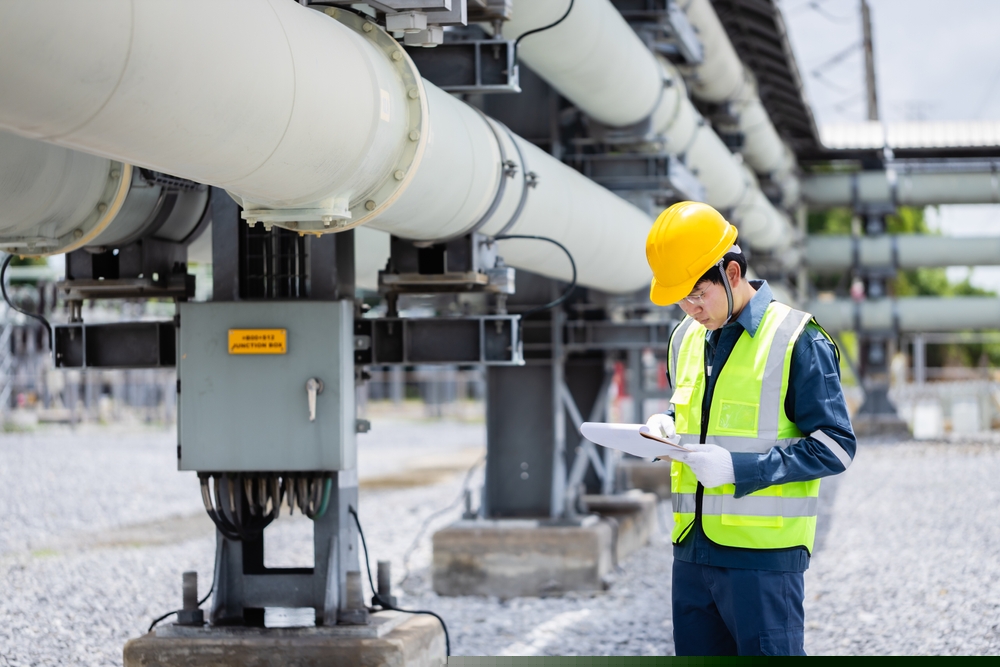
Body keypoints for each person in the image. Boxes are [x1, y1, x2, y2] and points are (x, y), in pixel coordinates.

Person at [643, 201, 856, 656]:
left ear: (733, 273)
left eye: (698, 294)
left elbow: (836, 447)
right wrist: (667, 425)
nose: (690, 308)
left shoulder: (797, 339)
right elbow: (700, 414)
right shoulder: (685, 337)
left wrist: (741, 469)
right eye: (680, 298)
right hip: (692, 553)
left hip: (763, 563)